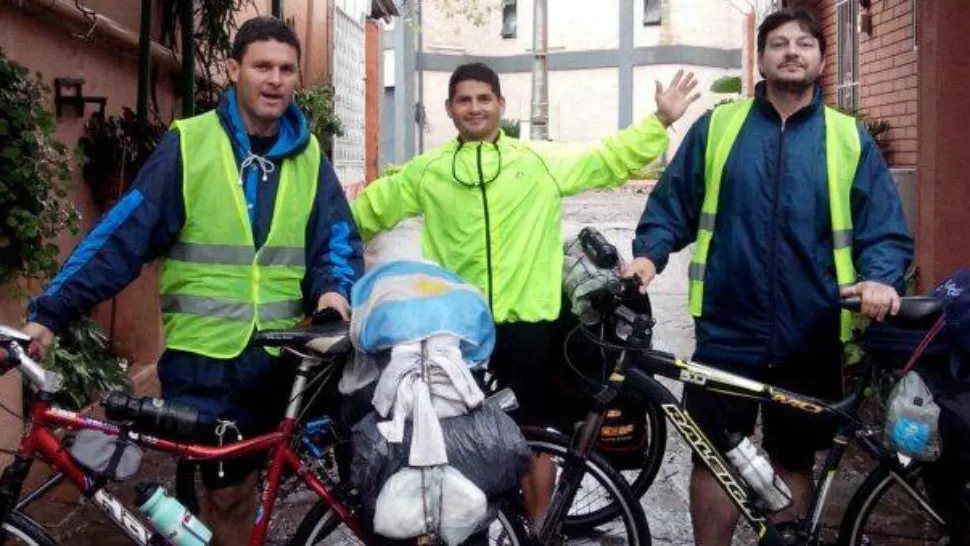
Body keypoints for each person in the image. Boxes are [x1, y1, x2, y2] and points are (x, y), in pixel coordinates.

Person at [21, 17, 363, 546]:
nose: (274, 79)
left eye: (286, 69)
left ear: (296, 78)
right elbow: (123, 235)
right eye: (262, 66)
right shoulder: (191, 143)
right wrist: (50, 313)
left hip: (274, 357)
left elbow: (336, 239)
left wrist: (334, 291)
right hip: (201, 357)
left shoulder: (310, 157)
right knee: (207, 495)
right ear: (233, 70)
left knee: (239, 492)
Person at [349, 61, 700, 531]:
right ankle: (472, 529)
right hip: (461, 334)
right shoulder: (426, 172)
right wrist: (324, 255)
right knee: (459, 442)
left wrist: (658, 122)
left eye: (483, 98)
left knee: (536, 437)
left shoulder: (536, 161)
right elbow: (366, 212)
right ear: (450, 110)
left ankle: (539, 533)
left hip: (530, 327)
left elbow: (607, 158)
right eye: (464, 100)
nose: (474, 108)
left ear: (500, 105)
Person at [625, 7, 914, 545]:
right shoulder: (718, 128)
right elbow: (672, 207)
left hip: (813, 327)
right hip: (726, 326)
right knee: (712, 453)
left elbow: (884, 228)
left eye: (804, 43)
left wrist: (880, 278)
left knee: (793, 457)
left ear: (822, 60)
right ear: (760, 59)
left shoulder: (847, 138)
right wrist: (650, 254)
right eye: (779, 43)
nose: (791, 52)